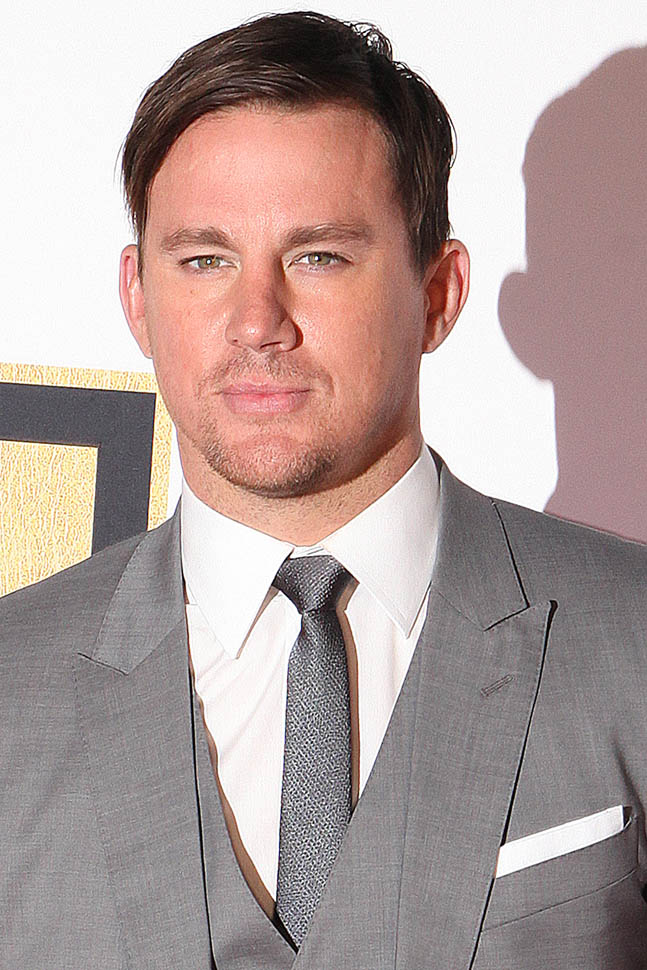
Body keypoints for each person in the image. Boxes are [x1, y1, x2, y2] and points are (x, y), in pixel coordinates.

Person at [2, 12, 647, 969]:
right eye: (205, 259)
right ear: (137, 297)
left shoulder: (631, 640)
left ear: (438, 294)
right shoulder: (11, 685)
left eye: (319, 256)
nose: (257, 320)